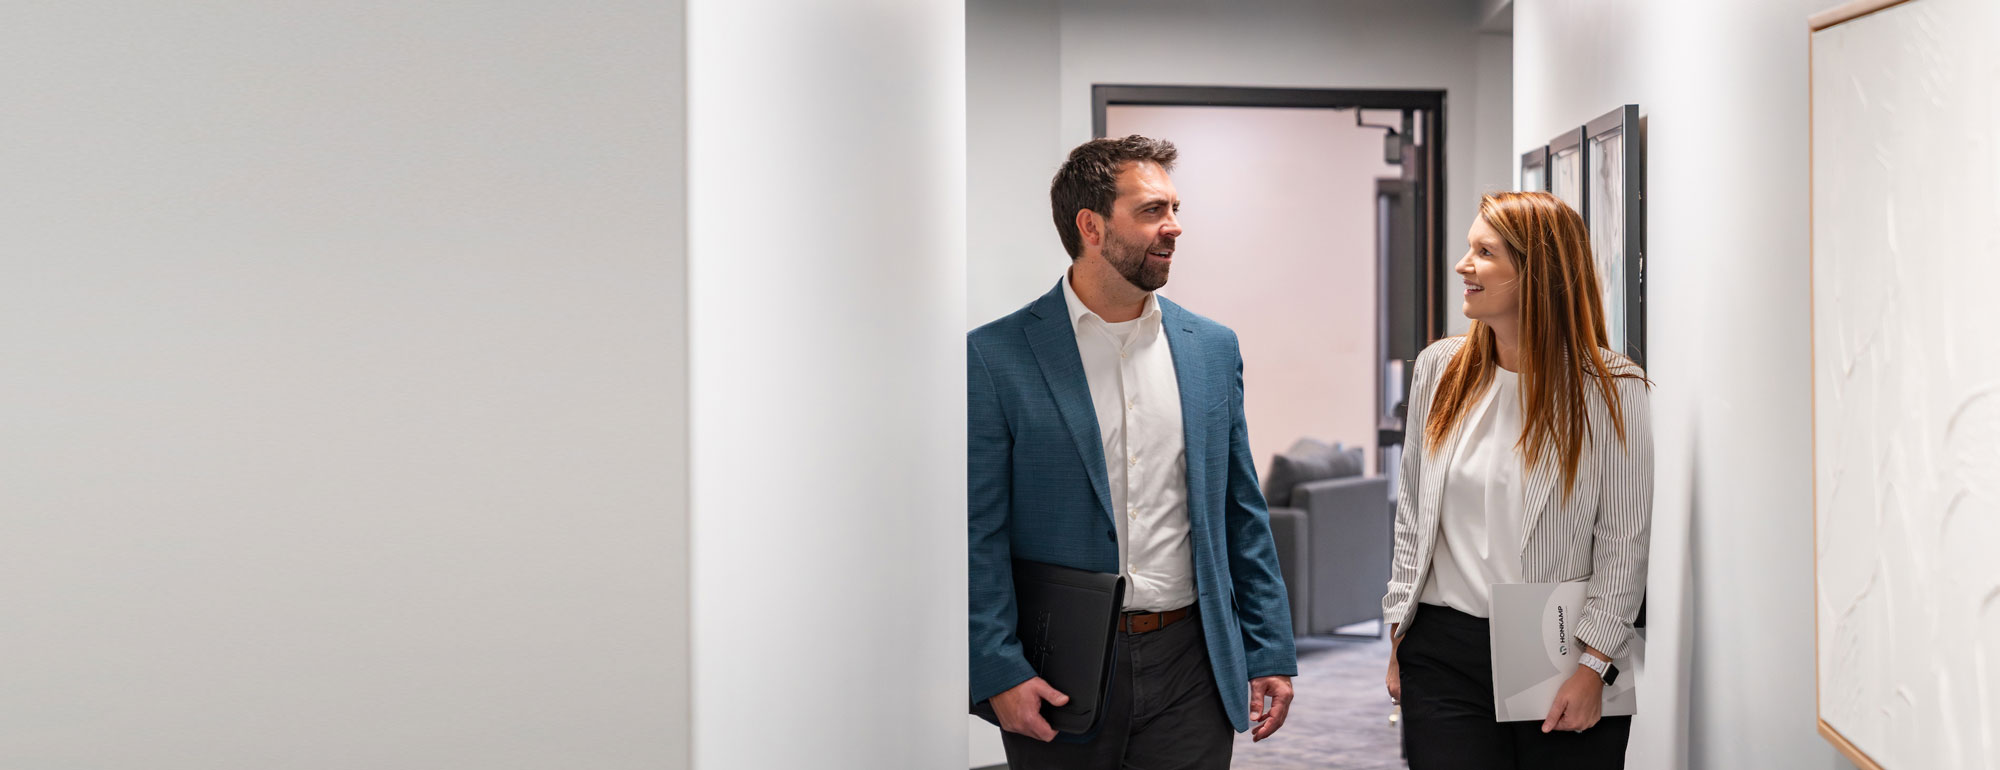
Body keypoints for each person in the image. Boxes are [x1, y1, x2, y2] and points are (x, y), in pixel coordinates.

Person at [967, 135, 1298, 770]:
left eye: (1174, 208)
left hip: (1193, 662)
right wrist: (996, 667)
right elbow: (978, 532)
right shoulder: (995, 356)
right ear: (1090, 225)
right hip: (1060, 667)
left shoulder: (1211, 349)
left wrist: (1269, 648)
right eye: (1151, 211)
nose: (1174, 227)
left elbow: (1240, 511)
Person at [1381, 191, 1653, 768]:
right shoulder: (1439, 369)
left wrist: (1594, 665)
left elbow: (1624, 541)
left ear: (1539, 274)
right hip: (1442, 645)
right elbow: (1413, 512)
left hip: (1560, 647)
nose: (1463, 264)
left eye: (1485, 252)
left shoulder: (1611, 387)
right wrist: (1399, 630)